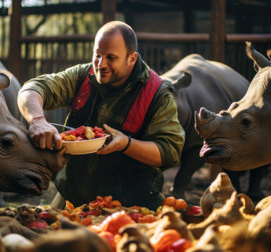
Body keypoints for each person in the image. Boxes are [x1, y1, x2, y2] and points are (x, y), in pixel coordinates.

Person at [17, 21, 185, 210]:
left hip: (133, 203)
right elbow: (32, 88)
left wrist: (127, 144)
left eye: (111, 58)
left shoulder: (157, 94)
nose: (101, 64)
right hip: (74, 196)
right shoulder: (83, 75)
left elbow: (170, 151)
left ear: (132, 58)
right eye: (97, 55)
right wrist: (37, 120)